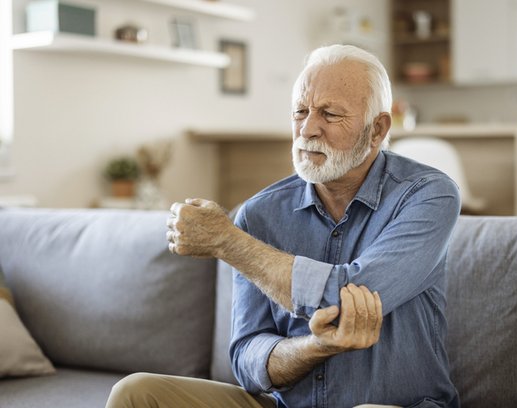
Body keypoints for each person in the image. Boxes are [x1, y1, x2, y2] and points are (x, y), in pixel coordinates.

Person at [106, 44, 461, 408]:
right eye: (300, 111)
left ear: (377, 129)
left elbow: (350, 298)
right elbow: (247, 357)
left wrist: (229, 243)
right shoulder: (258, 214)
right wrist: (314, 347)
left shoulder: (428, 196)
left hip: (396, 405)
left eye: (330, 114)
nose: (308, 129)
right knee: (136, 393)